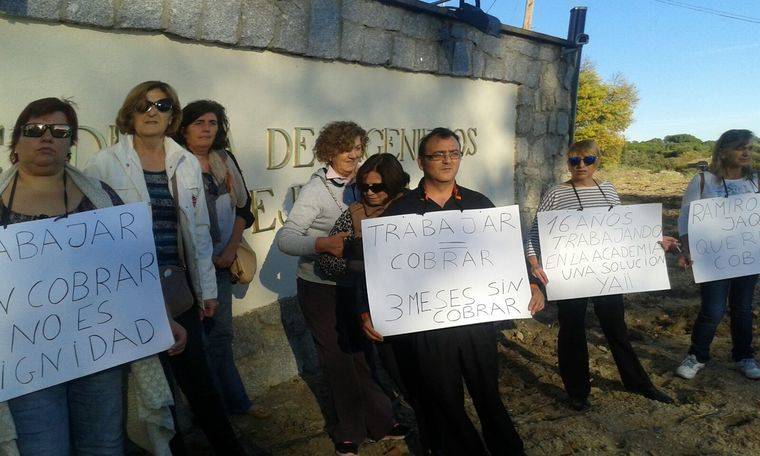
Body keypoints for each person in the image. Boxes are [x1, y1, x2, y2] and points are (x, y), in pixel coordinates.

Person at [3, 97, 184, 455]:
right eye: (34, 130)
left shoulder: (101, 199)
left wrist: (163, 319)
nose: (46, 138)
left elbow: (135, 269)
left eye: (59, 131)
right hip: (25, 365)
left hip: (96, 353)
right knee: (41, 448)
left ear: (71, 143)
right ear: (16, 142)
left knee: (103, 444)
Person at [85, 81, 246, 455]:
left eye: (162, 104)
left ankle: (229, 448)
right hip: (133, 293)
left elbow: (199, 233)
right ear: (131, 112)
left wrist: (207, 290)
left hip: (178, 288)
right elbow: (95, 237)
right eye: (144, 105)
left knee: (198, 379)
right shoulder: (104, 164)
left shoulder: (184, 162)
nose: (152, 111)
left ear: (172, 114)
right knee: (154, 388)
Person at [369, 127, 545, 456]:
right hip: (429, 328)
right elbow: (378, 268)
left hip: (477, 323)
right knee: (442, 400)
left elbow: (504, 254)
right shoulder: (399, 212)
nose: (447, 160)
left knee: (488, 394)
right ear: (422, 162)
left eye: (453, 153)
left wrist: (531, 283)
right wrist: (367, 308)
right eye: (438, 154)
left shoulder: (480, 204)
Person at [275, 122, 402, 456]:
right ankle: (349, 430)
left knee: (362, 353)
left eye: (360, 149)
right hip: (319, 288)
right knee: (337, 360)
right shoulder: (316, 190)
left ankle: (381, 421)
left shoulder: (363, 182)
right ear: (330, 151)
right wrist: (322, 243)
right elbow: (285, 240)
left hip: (357, 284)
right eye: (349, 151)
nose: (356, 156)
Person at [526, 139, 674, 412]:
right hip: (570, 274)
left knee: (616, 328)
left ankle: (638, 382)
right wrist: (534, 265)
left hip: (608, 272)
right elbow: (534, 235)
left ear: (597, 161)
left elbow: (623, 230)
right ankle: (577, 391)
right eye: (574, 160)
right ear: (568, 163)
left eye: (588, 160)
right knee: (572, 330)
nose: (581, 165)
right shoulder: (556, 194)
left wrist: (654, 240)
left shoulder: (608, 190)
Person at [175, 99, 267, 418]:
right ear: (183, 128)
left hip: (221, 263)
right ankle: (207, 412)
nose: (206, 128)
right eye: (198, 122)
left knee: (221, 335)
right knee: (195, 341)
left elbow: (244, 207)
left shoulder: (224, 160)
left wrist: (230, 249)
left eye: (212, 123)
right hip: (185, 268)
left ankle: (237, 403)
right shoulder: (172, 164)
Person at [315, 153, 411, 403]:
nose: (369, 193)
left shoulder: (413, 207)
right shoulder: (354, 214)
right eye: (363, 186)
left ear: (393, 184)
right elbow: (326, 262)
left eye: (377, 187)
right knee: (398, 371)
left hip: (420, 305)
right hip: (380, 309)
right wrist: (361, 264)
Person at [675, 129, 760, 380]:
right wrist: (688, 248)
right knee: (712, 309)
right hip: (713, 259)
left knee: (743, 308)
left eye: (750, 148)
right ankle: (697, 356)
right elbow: (685, 217)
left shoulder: (755, 180)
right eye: (739, 147)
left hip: (748, 257)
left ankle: (744, 356)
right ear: (723, 151)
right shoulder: (702, 180)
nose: (746, 152)